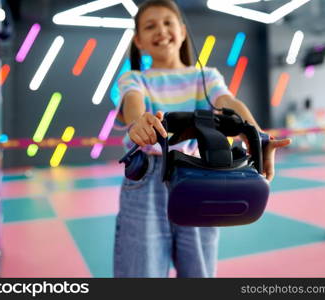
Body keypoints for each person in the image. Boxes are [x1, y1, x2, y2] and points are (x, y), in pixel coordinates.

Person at [114, 0, 291, 278]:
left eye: (167, 23)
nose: (161, 30)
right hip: (146, 180)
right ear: (139, 40)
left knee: (200, 272)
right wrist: (139, 122)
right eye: (150, 26)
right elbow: (132, 103)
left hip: (198, 176)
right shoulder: (133, 78)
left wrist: (257, 136)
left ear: (183, 31)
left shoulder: (206, 76)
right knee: (140, 271)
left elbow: (228, 102)